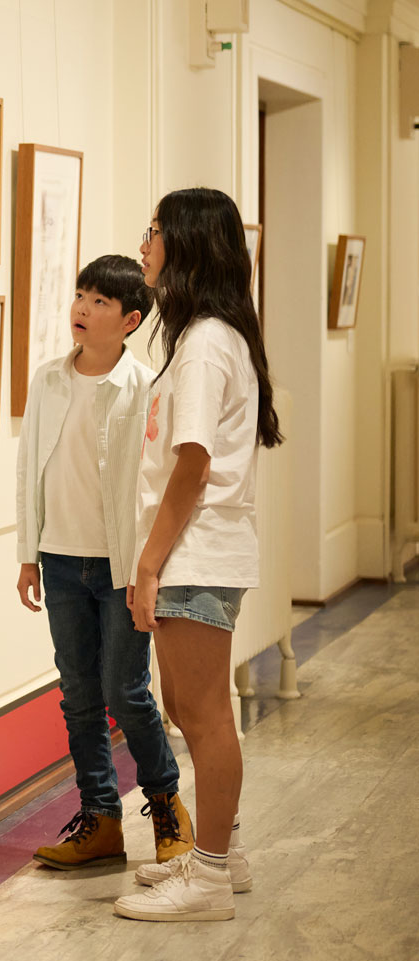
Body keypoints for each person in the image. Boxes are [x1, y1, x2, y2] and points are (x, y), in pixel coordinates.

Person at [113, 187, 282, 923]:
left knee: (206, 715)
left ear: (187, 245)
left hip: (195, 551)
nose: (144, 244)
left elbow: (191, 463)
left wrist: (149, 564)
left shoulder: (209, 340)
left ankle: (210, 878)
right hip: (195, 550)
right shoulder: (202, 336)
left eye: (154, 232)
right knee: (187, 704)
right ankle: (222, 851)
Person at [17, 255, 194, 874]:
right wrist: (27, 554)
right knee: (78, 695)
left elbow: (155, 484)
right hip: (60, 561)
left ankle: (168, 806)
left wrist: (149, 567)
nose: (82, 310)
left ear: (130, 319)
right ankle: (100, 820)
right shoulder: (47, 381)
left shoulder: (145, 388)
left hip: (119, 568)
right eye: (80, 296)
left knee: (127, 691)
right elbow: (28, 474)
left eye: (98, 302)